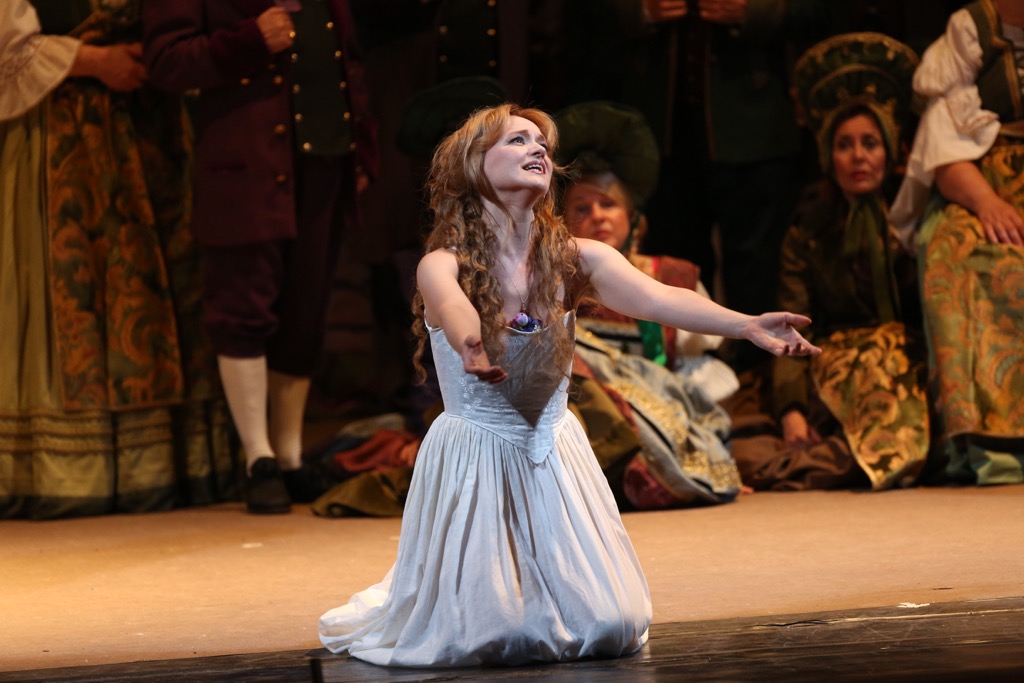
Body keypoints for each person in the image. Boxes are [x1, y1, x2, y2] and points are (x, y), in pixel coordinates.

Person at [317, 103, 820, 667]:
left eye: (542, 144)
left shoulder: (577, 260)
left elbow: (661, 299)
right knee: (493, 633)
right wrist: (471, 344)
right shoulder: (442, 262)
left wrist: (747, 325)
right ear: (476, 165)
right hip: (476, 450)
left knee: (613, 623)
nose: (537, 149)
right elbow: (453, 306)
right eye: (517, 140)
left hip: (552, 448)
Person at [0, 0, 234, 519]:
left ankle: (166, 461)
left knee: (154, 288)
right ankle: (61, 465)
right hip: (57, 120)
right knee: (70, 287)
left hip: (151, 125)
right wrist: (91, 60)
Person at [142, 0, 378, 514]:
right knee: (242, 307)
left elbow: (346, 59)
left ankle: (288, 456)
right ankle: (258, 459)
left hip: (325, 162)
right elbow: (165, 61)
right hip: (245, 162)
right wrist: (249, 41)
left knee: (306, 310)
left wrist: (360, 146)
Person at [565, 0, 833, 373]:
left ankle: (760, 376)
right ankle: (670, 372)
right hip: (665, 126)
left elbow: (821, 12)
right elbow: (582, 15)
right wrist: (639, 10)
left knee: (756, 266)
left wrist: (753, 12)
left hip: (753, 124)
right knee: (674, 258)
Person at [732, 32, 930, 492]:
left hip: (909, 360)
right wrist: (792, 409)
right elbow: (790, 323)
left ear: (891, 150)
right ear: (828, 154)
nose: (858, 157)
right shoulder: (809, 228)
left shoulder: (916, 217)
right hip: (836, 362)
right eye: (845, 145)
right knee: (751, 436)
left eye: (870, 143)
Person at [555, 100, 742, 509]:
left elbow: (692, 372)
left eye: (608, 204)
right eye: (582, 208)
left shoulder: (671, 275)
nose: (598, 216)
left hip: (655, 417)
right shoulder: (553, 283)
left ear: (632, 215)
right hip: (586, 413)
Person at [890, 0, 1024, 485]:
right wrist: (986, 200)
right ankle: (990, 444)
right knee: (960, 251)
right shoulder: (973, 31)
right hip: (979, 182)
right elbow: (942, 143)